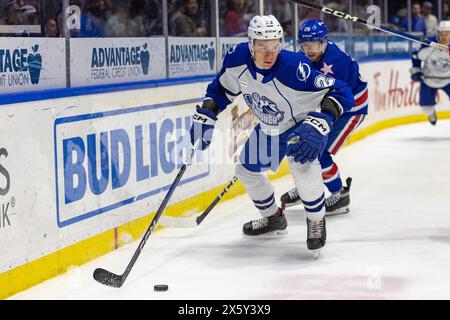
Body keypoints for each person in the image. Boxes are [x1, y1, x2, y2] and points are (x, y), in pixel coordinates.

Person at [189, 15, 354, 255]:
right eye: (262, 47)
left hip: (301, 125)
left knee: (302, 165)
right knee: (245, 171)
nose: (269, 54)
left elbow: (341, 90)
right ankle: (274, 219)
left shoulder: (295, 67)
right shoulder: (236, 61)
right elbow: (221, 89)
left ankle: (316, 221)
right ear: (250, 44)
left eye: (275, 46)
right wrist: (208, 111)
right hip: (270, 127)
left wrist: (323, 119)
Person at [280, 20, 368, 216]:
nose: (309, 50)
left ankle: (339, 194)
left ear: (325, 42)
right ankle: (310, 186)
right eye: (305, 45)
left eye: (315, 45)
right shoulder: (302, 57)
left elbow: (340, 96)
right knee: (301, 143)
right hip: (328, 106)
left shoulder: (338, 62)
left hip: (351, 108)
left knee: (320, 152)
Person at [410, 20, 450, 125]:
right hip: (429, 79)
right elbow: (415, 55)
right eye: (442, 34)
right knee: (426, 108)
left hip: (448, 79)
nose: (444, 37)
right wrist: (416, 70)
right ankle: (431, 114)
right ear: (438, 33)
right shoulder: (428, 42)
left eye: (447, 34)